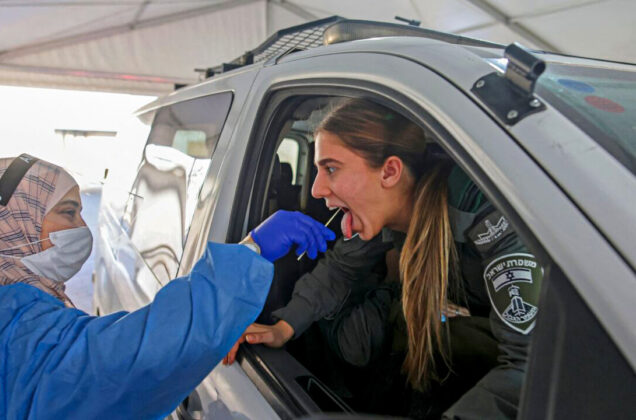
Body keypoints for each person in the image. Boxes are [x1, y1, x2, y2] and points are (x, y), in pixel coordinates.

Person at [0, 155, 334, 419]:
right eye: (68, 213)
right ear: (16, 220)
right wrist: (251, 251)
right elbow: (140, 354)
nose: (83, 230)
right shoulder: (9, 325)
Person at [225, 98, 543, 419]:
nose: (318, 189)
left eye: (331, 168)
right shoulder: (381, 215)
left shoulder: (484, 216)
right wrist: (284, 326)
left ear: (390, 171)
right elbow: (340, 269)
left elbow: (529, 364)